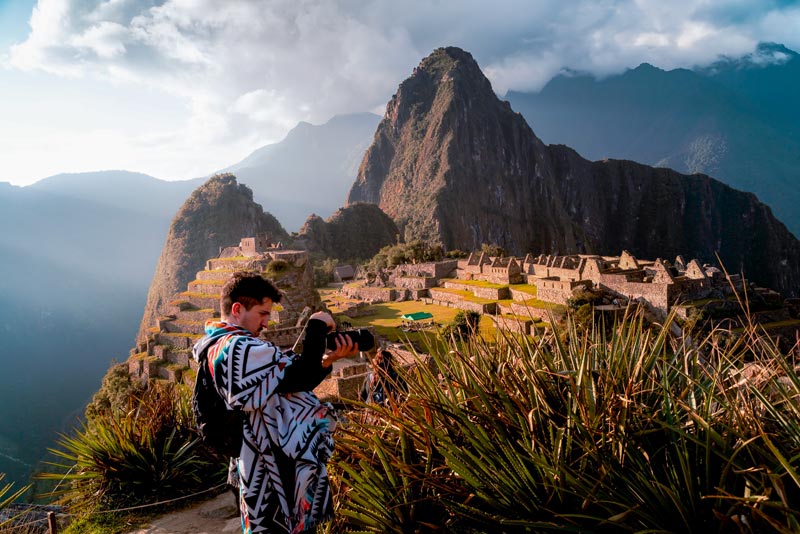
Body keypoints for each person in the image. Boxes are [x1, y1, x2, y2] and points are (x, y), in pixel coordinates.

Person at [192, 271, 358, 534]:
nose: (267, 323)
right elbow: (296, 375)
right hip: (266, 469)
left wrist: (325, 360)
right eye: (262, 313)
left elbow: (287, 382)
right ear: (237, 309)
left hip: (264, 462)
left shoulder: (232, 346)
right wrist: (315, 326)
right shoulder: (233, 348)